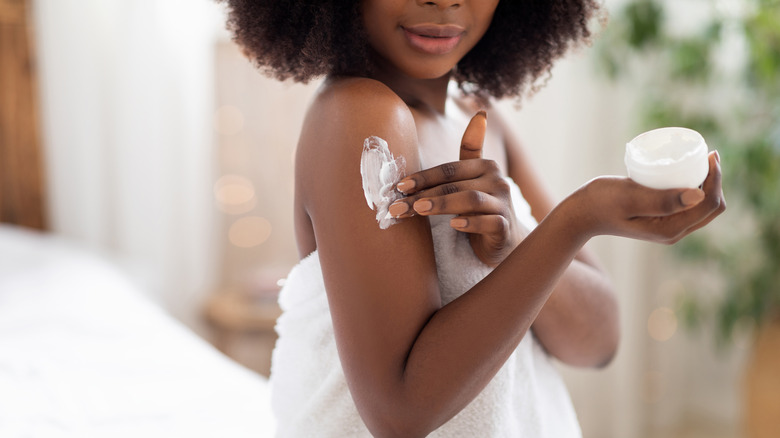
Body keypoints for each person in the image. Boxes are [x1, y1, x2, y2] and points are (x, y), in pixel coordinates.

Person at [218, 1, 726, 437]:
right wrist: (577, 219)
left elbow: (597, 343)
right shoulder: (361, 116)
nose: (444, 1)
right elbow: (400, 412)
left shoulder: (478, 115)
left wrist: (517, 245)